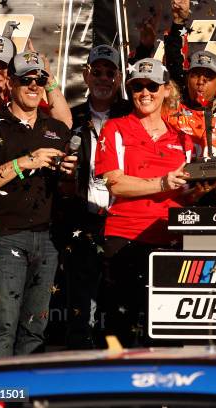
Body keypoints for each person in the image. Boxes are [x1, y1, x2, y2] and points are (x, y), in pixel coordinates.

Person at [0, 36, 73, 361]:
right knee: (1, 325)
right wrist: (24, 162)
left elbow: (67, 118)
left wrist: (69, 169)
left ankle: (23, 396)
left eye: (39, 80)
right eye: (26, 80)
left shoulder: (55, 128)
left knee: (34, 329)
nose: (33, 86)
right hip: (6, 240)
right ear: (11, 82)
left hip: (47, 240)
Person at [94, 58, 190, 347]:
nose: (145, 92)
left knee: (166, 331)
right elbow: (115, 182)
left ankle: (164, 392)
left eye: (151, 86)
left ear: (166, 90)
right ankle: (114, 391)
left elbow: (185, 192)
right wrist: (162, 183)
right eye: (137, 86)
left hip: (170, 239)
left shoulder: (183, 138)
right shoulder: (115, 128)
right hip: (125, 236)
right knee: (119, 332)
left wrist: (201, 190)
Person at [59, 44, 131, 349]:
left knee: (120, 307)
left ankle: (122, 382)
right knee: (80, 307)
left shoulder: (131, 115)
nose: (103, 78)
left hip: (122, 220)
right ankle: (78, 380)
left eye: (109, 73)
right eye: (97, 71)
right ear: (86, 75)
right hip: (83, 219)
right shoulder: (71, 118)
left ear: (117, 78)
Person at [163, 0, 216, 160]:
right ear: (187, 79)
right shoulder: (170, 112)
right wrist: (179, 22)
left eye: (208, 77)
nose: (201, 81)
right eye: (195, 75)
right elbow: (174, 61)